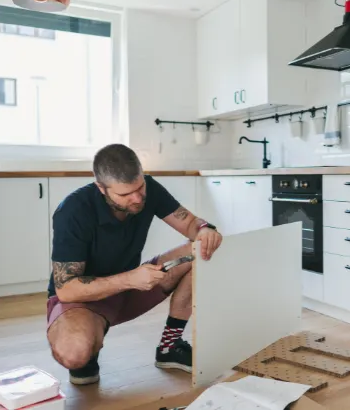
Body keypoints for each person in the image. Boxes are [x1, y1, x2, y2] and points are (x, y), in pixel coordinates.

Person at [45, 144, 223, 385]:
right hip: (82, 299)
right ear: (101, 188)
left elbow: (190, 223)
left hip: (132, 287)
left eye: (140, 187)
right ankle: (90, 343)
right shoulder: (73, 211)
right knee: (75, 353)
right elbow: (66, 289)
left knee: (200, 251)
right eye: (125, 194)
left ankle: (169, 347)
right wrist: (130, 279)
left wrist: (204, 229)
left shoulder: (150, 189)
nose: (138, 198)